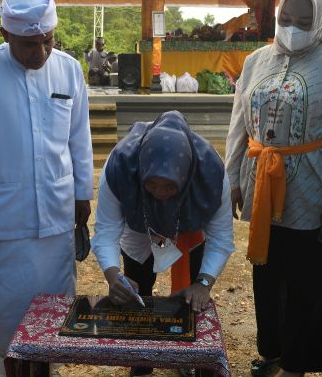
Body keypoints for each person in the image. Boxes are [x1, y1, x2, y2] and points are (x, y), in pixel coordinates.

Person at [0, 0, 93, 377]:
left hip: (56, 214)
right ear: (7, 34)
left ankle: (44, 368)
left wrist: (83, 193)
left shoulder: (68, 69)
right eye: (30, 44)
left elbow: (79, 138)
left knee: (50, 310)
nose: (41, 53)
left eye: (47, 41)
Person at [225, 0, 322, 377]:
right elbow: (238, 126)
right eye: (286, 18)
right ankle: (273, 353)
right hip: (261, 187)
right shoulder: (255, 61)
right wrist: (232, 179)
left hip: (312, 191)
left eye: (304, 21)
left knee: (307, 279)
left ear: (319, 20)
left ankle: (297, 363)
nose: (293, 27)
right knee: (266, 272)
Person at [92, 110, 235, 377]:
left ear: (186, 176)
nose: (159, 193)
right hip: (138, 228)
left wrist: (204, 283)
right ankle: (141, 360)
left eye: (169, 186)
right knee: (137, 290)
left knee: (191, 299)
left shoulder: (211, 175)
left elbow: (222, 237)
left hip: (189, 225)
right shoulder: (120, 167)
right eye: (152, 183)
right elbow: (107, 230)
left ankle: (187, 355)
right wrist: (113, 277)